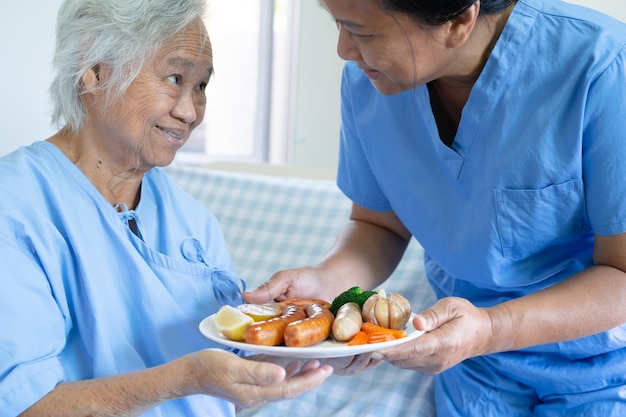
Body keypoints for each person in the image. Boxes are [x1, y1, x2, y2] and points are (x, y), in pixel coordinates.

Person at [244, 0, 626, 415]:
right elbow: (379, 225)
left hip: (602, 364)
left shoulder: (600, 68)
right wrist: (328, 280)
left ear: (460, 20)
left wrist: (492, 328)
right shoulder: (368, 84)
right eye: (338, 24)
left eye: (364, 32)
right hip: (474, 367)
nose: (344, 50)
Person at [0, 0, 340, 415]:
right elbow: (25, 405)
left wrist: (313, 355)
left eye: (201, 87)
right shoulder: (15, 208)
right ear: (95, 69)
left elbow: (226, 373)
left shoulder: (193, 220)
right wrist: (185, 378)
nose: (190, 111)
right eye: (174, 78)